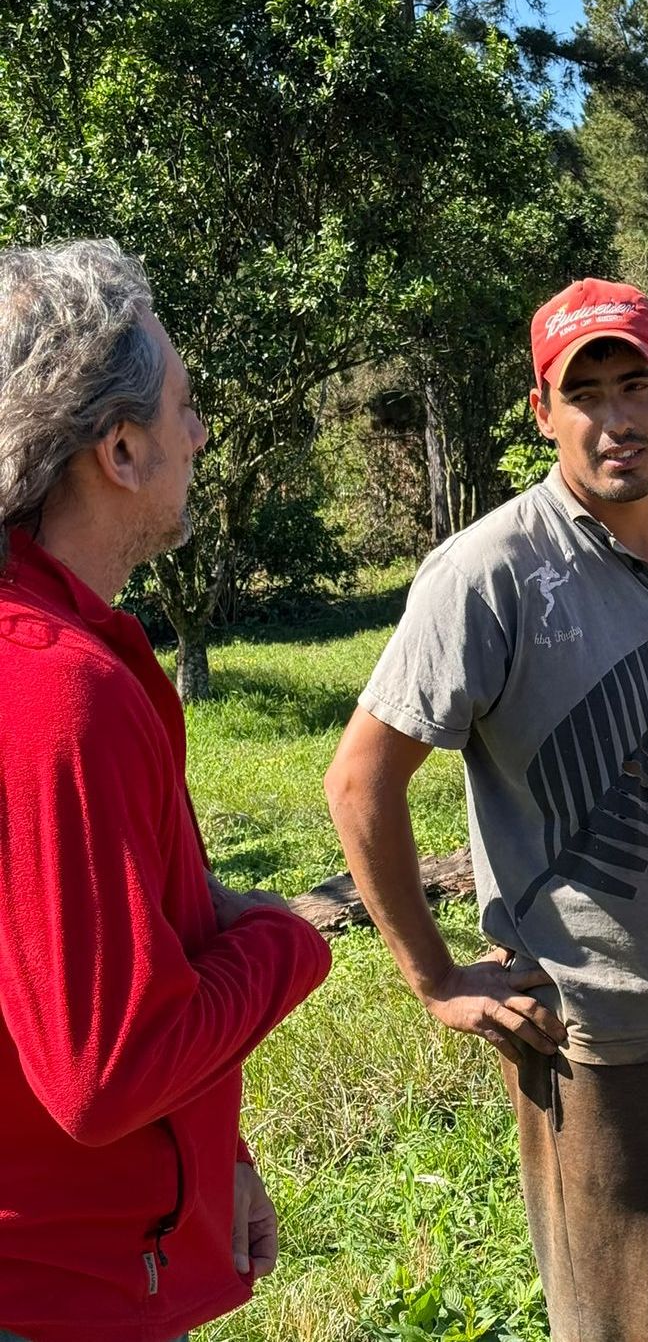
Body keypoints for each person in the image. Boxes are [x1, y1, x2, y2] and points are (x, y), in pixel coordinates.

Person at [325, 278, 648, 1341]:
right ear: (543, 411)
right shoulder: (490, 574)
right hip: (596, 1034)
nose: (616, 417)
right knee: (615, 1324)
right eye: (586, 392)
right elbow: (359, 780)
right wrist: (435, 979)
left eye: (635, 384)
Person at [0, 239, 333, 1342]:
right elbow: (104, 1073)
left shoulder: (61, 650)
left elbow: (100, 948)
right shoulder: (58, 695)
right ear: (123, 448)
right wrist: (290, 940)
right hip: (61, 1297)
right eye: (185, 408)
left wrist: (213, 1158)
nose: (201, 435)